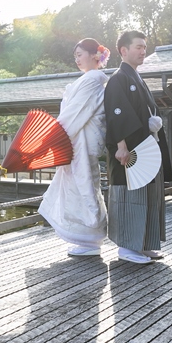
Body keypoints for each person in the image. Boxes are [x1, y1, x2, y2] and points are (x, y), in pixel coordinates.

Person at [104, 30, 172, 264]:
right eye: (138, 47)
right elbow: (116, 113)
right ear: (123, 50)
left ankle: (144, 244)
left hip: (145, 148)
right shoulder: (118, 78)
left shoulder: (137, 78)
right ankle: (127, 247)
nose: (143, 51)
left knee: (149, 195)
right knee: (130, 196)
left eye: (144, 47)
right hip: (129, 152)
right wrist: (121, 146)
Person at [38, 38, 110, 257]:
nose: (77, 59)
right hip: (77, 141)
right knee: (78, 188)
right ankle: (85, 239)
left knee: (84, 187)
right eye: (75, 56)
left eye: (80, 55)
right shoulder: (88, 80)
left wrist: (51, 137)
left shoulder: (92, 80)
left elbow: (74, 113)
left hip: (81, 142)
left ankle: (91, 239)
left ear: (94, 55)